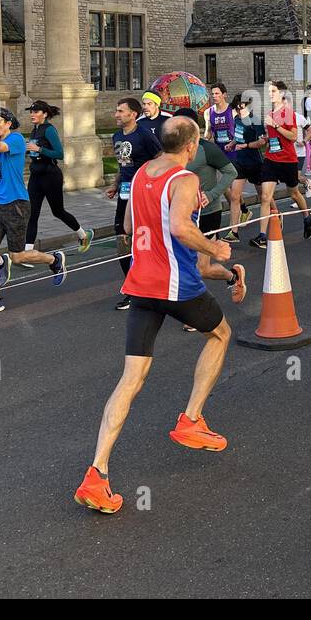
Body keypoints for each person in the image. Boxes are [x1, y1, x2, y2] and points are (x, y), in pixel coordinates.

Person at [72, 116, 236, 515]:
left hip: (141, 284)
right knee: (220, 334)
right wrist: (215, 250)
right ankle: (191, 418)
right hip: (175, 285)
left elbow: (128, 225)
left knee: (131, 377)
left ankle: (97, 473)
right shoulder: (185, 180)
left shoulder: (144, 171)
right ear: (192, 146)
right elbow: (180, 228)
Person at [0, 107, 68, 316]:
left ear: (9, 123)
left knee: (18, 256)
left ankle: (54, 260)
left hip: (16, 205)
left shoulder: (16, 140)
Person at [174, 108, 246, 327]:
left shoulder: (207, 149)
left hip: (208, 214)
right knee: (189, 267)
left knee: (199, 268)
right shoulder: (173, 152)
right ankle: (232, 276)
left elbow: (231, 173)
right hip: (183, 217)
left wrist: (212, 194)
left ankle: (196, 316)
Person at [108, 96, 162, 310]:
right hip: (124, 193)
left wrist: (150, 182)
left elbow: (160, 158)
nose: (116, 115)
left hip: (143, 194)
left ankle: (149, 284)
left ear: (133, 114)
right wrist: (116, 183)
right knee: (121, 236)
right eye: (116, 111)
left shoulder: (144, 135)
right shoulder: (116, 136)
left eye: (121, 111)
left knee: (143, 238)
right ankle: (132, 286)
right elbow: (124, 166)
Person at [22, 100, 94, 255]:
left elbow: (59, 154)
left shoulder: (49, 130)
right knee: (32, 213)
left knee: (58, 211)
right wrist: (28, 150)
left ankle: (83, 234)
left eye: (36, 112)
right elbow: (34, 151)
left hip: (50, 176)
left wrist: (39, 149)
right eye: (31, 112)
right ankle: (28, 252)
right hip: (36, 176)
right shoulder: (35, 130)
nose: (32, 115)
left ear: (45, 114)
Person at [249, 81, 311, 250]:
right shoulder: (270, 113)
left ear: (282, 93)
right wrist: (265, 140)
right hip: (271, 159)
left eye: (273, 91)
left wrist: (275, 125)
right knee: (265, 197)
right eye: (269, 91)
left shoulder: (288, 113)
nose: (270, 94)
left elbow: (292, 137)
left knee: (293, 193)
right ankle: (263, 236)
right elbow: (273, 138)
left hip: (288, 160)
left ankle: (307, 217)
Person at [221, 93, 259, 244]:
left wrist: (247, 145)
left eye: (241, 105)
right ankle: (234, 232)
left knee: (265, 197)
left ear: (247, 105)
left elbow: (262, 141)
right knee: (235, 197)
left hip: (254, 161)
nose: (238, 108)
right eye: (236, 106)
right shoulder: (237, 119)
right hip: (239, 161)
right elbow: (238, 135)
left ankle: (275, 214)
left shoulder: (255, 120)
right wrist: (232, 143)